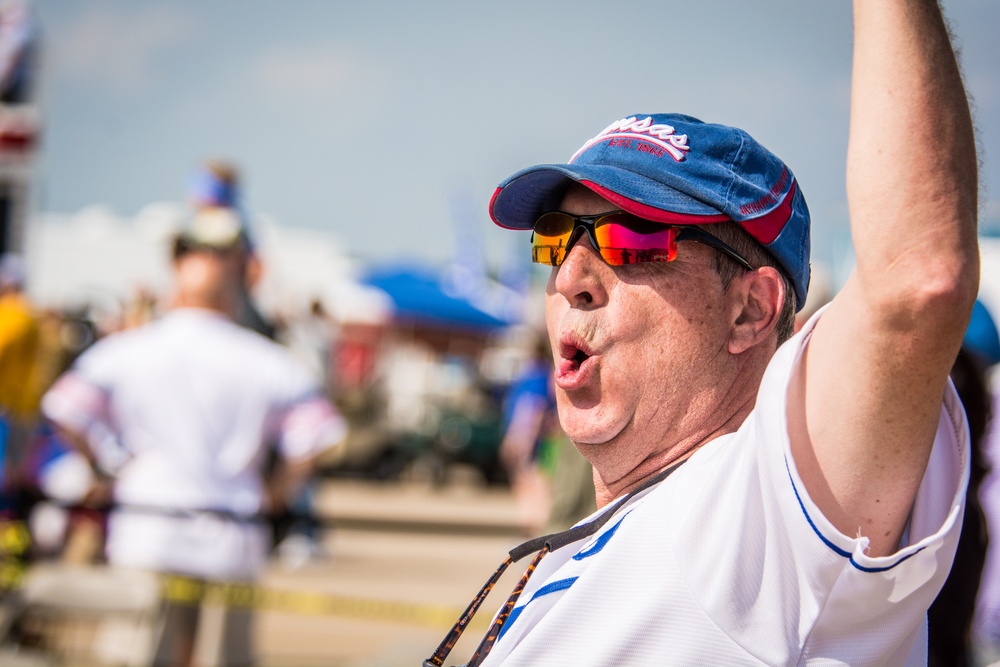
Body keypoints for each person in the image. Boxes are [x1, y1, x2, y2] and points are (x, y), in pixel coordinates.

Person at [422, 2, 979, 665]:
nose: (572, 274)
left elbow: (917, 279)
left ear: (749, 310)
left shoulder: (755, 516)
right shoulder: (614, 532)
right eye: (554, 238)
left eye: (628, 242)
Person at [40, 208, 347, 667]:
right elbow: (321, 435)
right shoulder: (268, 361)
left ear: (174, 276)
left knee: (140, 656)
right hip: (234, 533)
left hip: (147, 526)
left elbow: (65, 409)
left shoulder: (127, 351)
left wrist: (104, 467)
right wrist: (278, 492)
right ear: (238, 281)